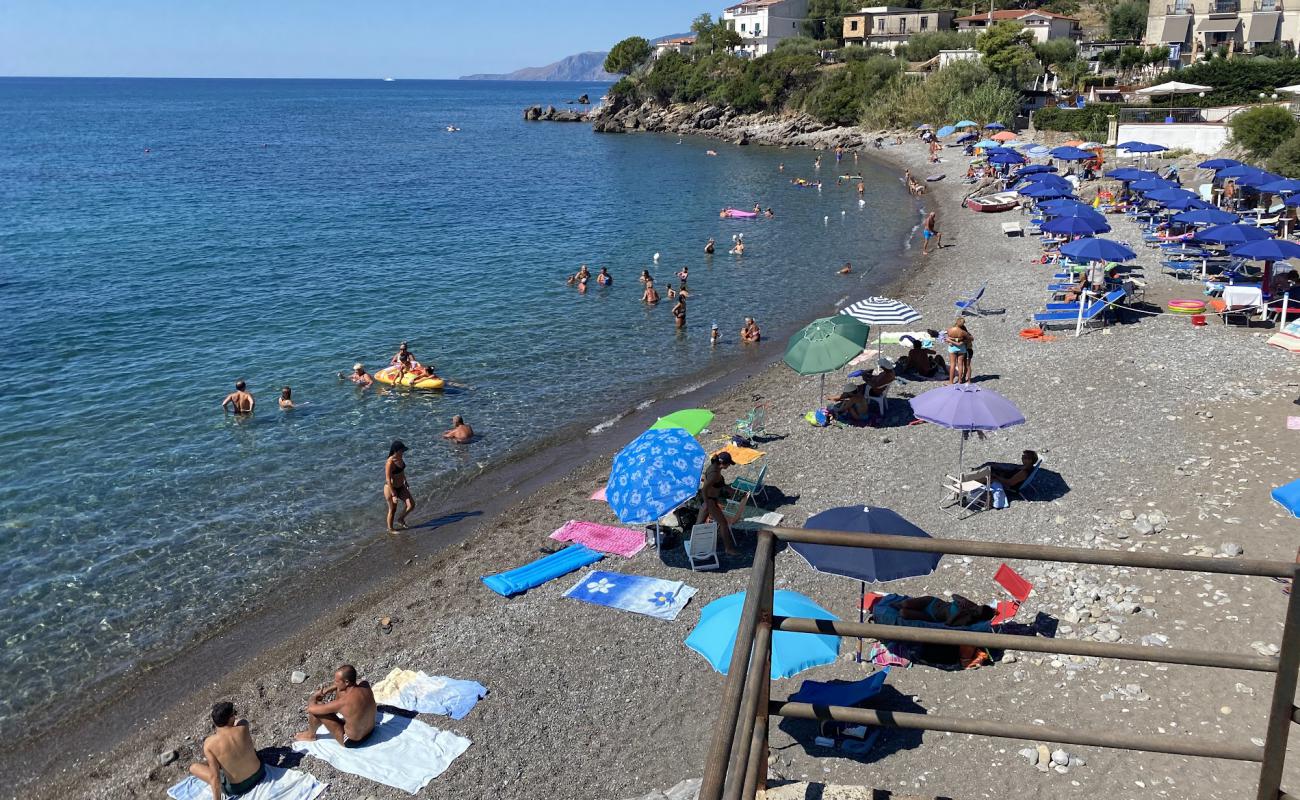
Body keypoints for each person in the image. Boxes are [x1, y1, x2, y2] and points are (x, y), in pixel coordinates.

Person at [189, 702, 265, 799]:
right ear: (230, 718)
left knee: (193, 767)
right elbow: (238, 721)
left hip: (237, 788)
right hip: (259, 772)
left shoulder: (209, 744)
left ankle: (213, 764)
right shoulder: (243, 725)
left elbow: (215, 778)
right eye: (234, 713)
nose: (235, 715)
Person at [294, 665, 377, 747]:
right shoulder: (365, 685)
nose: (334, 683)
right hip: (371, 731)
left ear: (347, 682)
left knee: (318, 706)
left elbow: (311, 709)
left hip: (353, 741)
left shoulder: (343, 702)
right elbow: (357, 681)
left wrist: (313, 697)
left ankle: (310, 735)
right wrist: (327, 690)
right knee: (340, 690)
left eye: (337, 681)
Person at [697, 452, 738, 555]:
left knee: (698, 524)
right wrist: (708, 504)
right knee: (723, 523)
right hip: (710, 500)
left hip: (709, 501)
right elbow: (704, 489)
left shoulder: (715, 467)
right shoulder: (714, 474)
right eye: (728, 464)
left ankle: (697, 545)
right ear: (723, 463)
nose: (729, 466)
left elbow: (719, 484)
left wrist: (730, 490)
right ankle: (728, 549)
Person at [964, 450, 1039, 492]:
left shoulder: (1024, 472)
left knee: (985, 475)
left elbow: (1009, 483)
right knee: (989, 466)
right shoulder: (1027, 467)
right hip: (1002, 475)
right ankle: (968, 477)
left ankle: (964, 485)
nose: (1022, 458)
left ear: (1030, 460)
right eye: (1022, 457)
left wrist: (996, 476)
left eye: (1024, 457)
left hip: (1004, 482)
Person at [384, 440, 414, 532]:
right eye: (401, 450)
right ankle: (391, 529)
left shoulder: (400, 458)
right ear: (396, 451)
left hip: (401, 486)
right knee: (393, 509)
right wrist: (393, 494)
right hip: (391, 489)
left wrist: (405, 480)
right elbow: (388, 479)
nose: (403, 452)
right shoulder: (390, 462)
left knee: (411, 505)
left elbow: (401, 471)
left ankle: (401, 519)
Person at [945, 318, 972, 384]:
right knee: (960, 364)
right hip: (961, 348)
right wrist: (961, 339)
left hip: (952, 348)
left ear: (956, 322)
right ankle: (960, 380)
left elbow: (947, 338)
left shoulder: (949, 330)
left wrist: (952, 339)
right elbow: (971, 338)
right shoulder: (963, 332)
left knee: (952, 365)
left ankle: (951, 382)